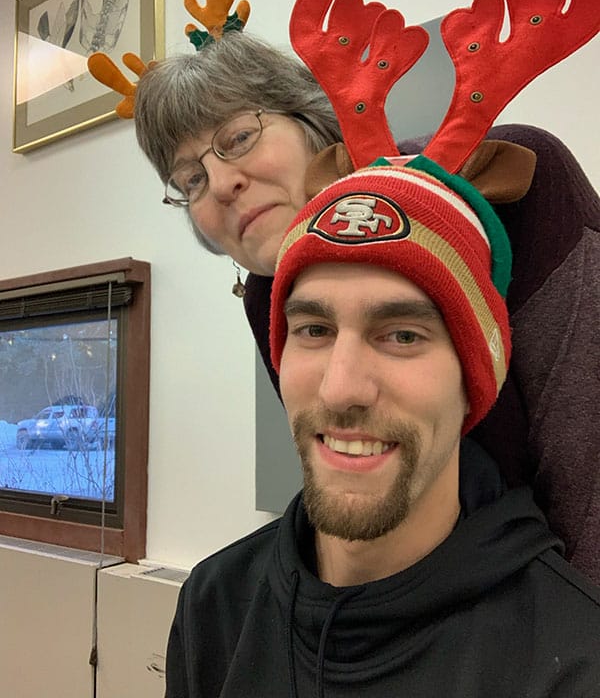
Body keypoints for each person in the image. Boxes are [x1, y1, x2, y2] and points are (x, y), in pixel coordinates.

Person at [165, 160, 600, 697]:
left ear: (474, 378)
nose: (340, 388)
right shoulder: (214, 604)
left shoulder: (575, 661)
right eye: (314, 329)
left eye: (402, 335)